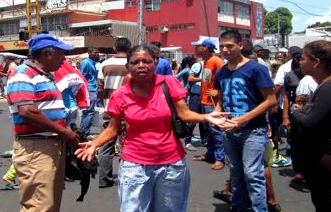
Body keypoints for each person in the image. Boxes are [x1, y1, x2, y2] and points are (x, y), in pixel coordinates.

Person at [75, 44, 235, 212]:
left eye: (147, 61)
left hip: (171, 165)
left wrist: (206, 117)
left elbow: (185, 114)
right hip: (134, 166)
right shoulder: (120, 95)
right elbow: (112, 129)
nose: (142, 65)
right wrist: (94, 144)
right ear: (128, 66)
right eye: (136, 62)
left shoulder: (169, 83)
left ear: (155, 63)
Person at [6, 33, 80, 212]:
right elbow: (27, 111)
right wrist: (63, 131)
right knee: (39, 206)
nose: (64, 58)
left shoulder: (44, 75)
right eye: (61, 53)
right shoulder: (22, 74)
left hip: (50, 145)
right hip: (37, 148)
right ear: (47, 53)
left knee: (50, 204)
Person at [215, 30, 276, 212]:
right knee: (236, 172)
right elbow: (220, 100)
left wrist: (244, 118)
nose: (225, 50)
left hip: (253, 130)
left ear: (240, 45)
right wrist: (217, 114)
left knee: (253, 173)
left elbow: (271, 100)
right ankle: (238, 207)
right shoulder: (221, 72)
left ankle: (260, 209)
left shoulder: (256, 69)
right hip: (229, 130)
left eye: (229, 46)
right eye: (222, 46)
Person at [290, 39, 331, 212]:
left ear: (316, 62)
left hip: (329, 159)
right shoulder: (326, 85)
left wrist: (295, 110)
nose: (299, 62)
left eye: (303, 58)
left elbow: (310, 122)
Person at [97, 37, 131, 188]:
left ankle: (104, 179)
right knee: (127, 145)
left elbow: (100, 88)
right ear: (129, 48)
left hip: (109, 110)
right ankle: (127, 178)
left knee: (105, 146)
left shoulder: (105, 64)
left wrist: (104, 103)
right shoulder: (132, 63)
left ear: (115, 48)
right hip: (128, 111)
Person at [191, 37, 226, 170]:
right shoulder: (206, 61)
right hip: (205, 101)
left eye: (197, 46)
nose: (195, 49)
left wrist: (218, 91)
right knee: (210, 131)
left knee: (216, 131)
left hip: (213, 103)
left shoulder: (217, 61)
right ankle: (210, 154)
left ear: (205, 48)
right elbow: (206, 80)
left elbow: (227, 77)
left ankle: (220, 158)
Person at [79, 47, 99, 137]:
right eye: (95, 53)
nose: (97, 54)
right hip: (89, 90)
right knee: (88, 112)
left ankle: (84, 131)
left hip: (93, 89)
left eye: (97, 53)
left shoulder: (93, 63)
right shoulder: (86, 62)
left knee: (89, 112)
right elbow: (82, 76)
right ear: (89, 53)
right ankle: (84, 132)